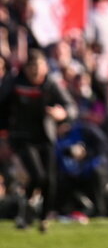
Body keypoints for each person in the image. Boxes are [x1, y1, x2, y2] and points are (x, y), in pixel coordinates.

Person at [0, 49, 77, 232]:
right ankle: (26, 211)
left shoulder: (51, 84)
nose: (36, 71)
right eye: (32, 66)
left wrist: (62, 114)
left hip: (45, 136)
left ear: (45, 68)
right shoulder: (15, 83)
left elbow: (71, 106)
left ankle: (42, 218)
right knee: (37, 175)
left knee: (50, 180)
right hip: (22, 137)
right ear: (26, 69)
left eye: (39, 66)